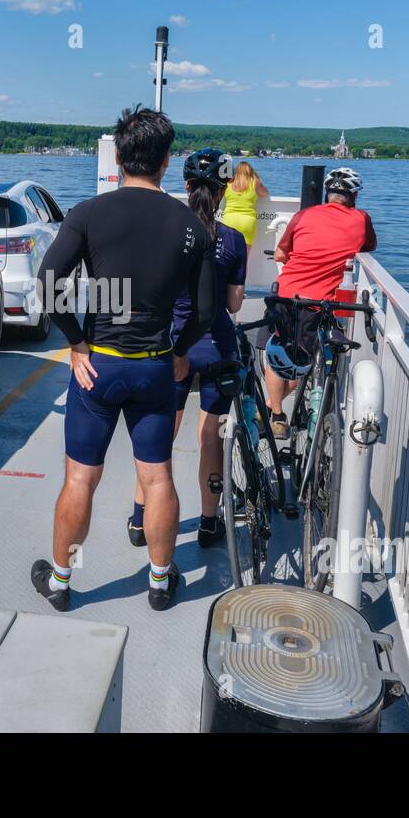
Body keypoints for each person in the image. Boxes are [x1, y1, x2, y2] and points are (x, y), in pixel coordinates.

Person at [30, 106, 215, 613]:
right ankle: (160, 581)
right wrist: (179, 353)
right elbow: (204, 310)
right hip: (156, 366)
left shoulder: (89, 214)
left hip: (99, 367)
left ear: (118, 156)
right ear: (166, 160)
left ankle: (62, 581)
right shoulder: (192, 227)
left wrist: (75, 341)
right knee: (157, 477)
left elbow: (48, 282)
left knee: (79, 478)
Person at [127, 149, 246, 552]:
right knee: (210, 438)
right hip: (218, 349)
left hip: (171, 346)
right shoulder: (232, 240)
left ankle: (141, 518)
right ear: (224, 189)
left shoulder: (168, 232)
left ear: (187, 186)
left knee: (159, 437)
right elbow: (232, 305)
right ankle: (210, 524)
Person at [264, 167, 377, 437]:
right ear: (354, 195)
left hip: (285, 294)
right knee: (302, 359)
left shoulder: (304, 215)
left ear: (328, 193)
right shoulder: (361, 219)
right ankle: (280, 404)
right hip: (318, 304)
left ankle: (276, 414)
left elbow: (281, 254)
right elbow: (369, 246)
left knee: (277, 353)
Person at [219, 160, 269, 248]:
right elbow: (265, 193)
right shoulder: (255, 182)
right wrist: (256, 177)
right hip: (247, 222)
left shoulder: (228, 183)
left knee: (227, 256)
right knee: (244, 258)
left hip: (229, 220)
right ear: (250, 171)